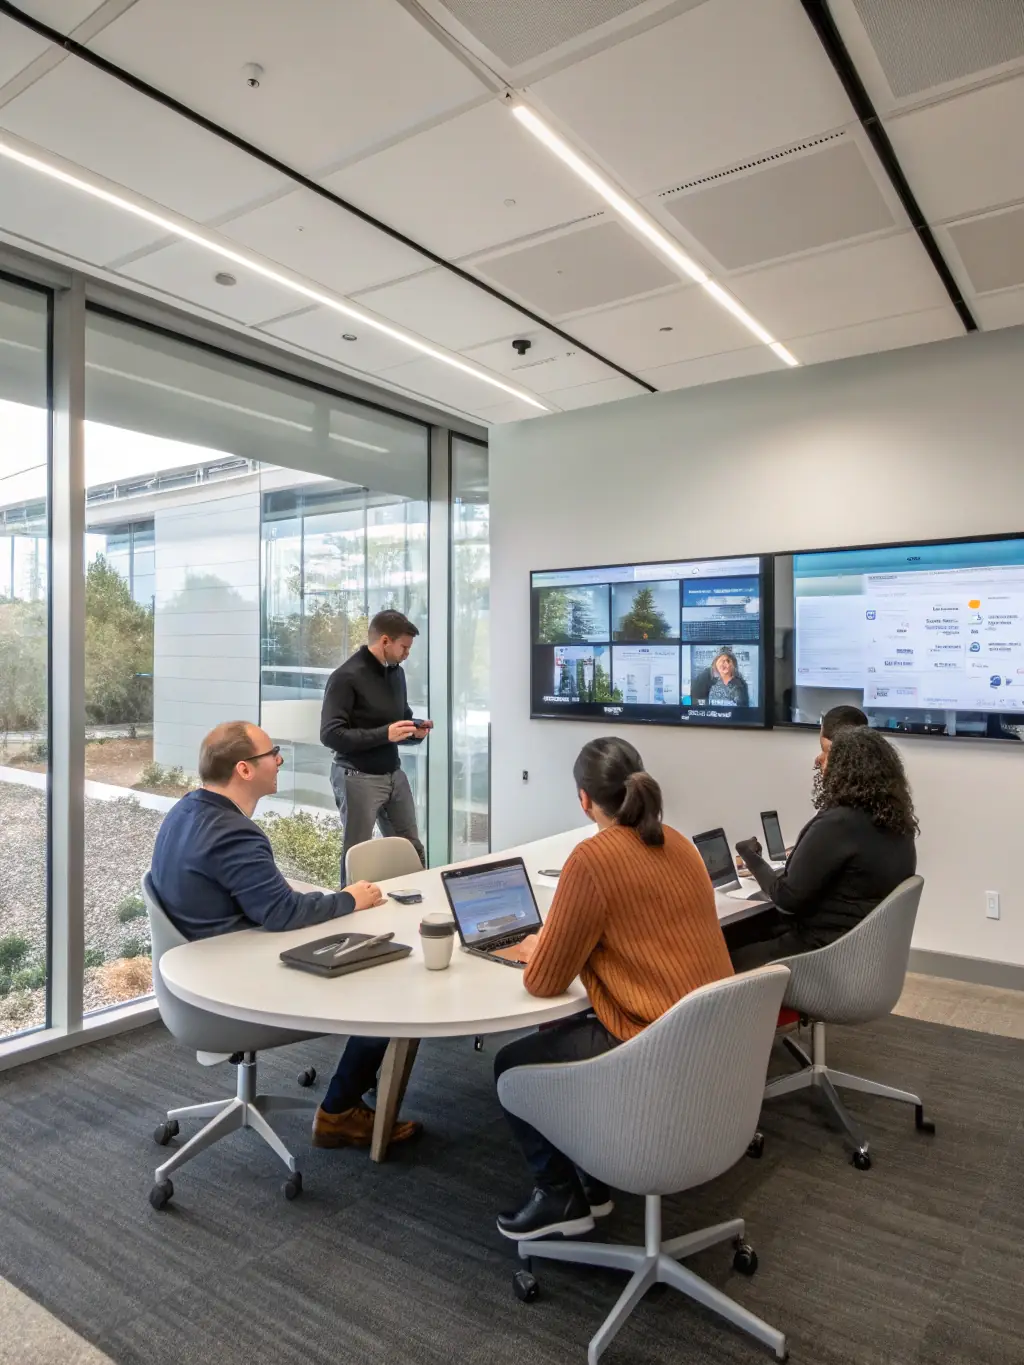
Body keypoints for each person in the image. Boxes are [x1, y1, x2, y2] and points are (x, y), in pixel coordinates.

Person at [492, 736, 733, 1242]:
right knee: (574, 1026)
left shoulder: (592, 859)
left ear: (584, 798)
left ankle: (559, 1195)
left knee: (511, 1062)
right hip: (711, 1040)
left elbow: (543, 982)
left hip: (650, 1044)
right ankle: (596, 1185)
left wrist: (545, 947)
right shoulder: (679, 843)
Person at [149, 720, 422, 1152]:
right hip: (237, 983)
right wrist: (350, 898)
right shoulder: (234, 832)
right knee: (385, 985)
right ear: (243, 769)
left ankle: (361, 1090)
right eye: (271, 753)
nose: (279, 760)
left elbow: (255, 897)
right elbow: (282, 913)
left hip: (203, 968)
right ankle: (340, 1112)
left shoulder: (187, 811)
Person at [726, 726, 918, 972]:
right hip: (859, 955)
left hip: (822, 957)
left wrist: (749, 856)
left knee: (719, 954)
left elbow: (786, 900)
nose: (819, 760)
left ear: (846, 768)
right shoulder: (896, 823)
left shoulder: (838, 824)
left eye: (827, 753)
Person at [320, 610, 431, 875]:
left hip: (393, 774)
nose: (407, 653)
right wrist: (385, 734)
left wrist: (414, 730)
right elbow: (330, 735)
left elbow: (398, 721)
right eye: (404, 647)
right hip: (356, 777)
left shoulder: (396, 674)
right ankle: (348, 910)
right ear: (384, 641)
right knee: (357, 856)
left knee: (411, 851)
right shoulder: (345, 677)